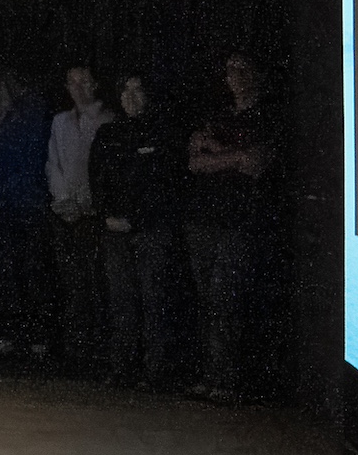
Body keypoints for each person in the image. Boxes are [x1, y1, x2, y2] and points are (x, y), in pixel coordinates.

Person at [184, 51, 276, 404]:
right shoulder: (219, 115)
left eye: (242, 68)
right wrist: (235, 156)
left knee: (227, 300)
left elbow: (255, 163)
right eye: (229, 69)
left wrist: (222, 154)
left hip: (241, 223)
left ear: (256, 74)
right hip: (204, 219)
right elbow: (194, 162)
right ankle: (211, 376)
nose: (234, 75)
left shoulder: (265, 116)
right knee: (208, 301)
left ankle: (228, 381)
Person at [91, 71, 189, 390]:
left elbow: (163, 184)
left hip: (150, 230)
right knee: (121, 301)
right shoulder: (108, 133)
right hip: (114, 229)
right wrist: (108, 215)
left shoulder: (162, 134)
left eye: (138, 90)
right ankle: (122, 368)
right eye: (126, 90)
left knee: (153, 299)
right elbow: (98, 179)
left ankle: (155, 371)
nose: (131, 97)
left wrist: (136, 218)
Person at [0, 67, 54, 362]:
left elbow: (24, 166)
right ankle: (12, 334)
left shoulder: (22, 121)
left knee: (30, 271)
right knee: (5, 274)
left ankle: (36, 336)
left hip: (24, 205)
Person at [46, 61, 116, 373]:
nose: (78, 88)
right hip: (66, 214)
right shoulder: (60, 121)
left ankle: (101, 351)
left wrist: (89, 204)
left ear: (95, 84)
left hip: (94, 214)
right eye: (72, 83)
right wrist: (64, 200)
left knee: (97, 283)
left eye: (83, 81)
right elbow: (54, 163)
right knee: (72, 285)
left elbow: (103, 169)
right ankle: (77, 351)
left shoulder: (107, 119)